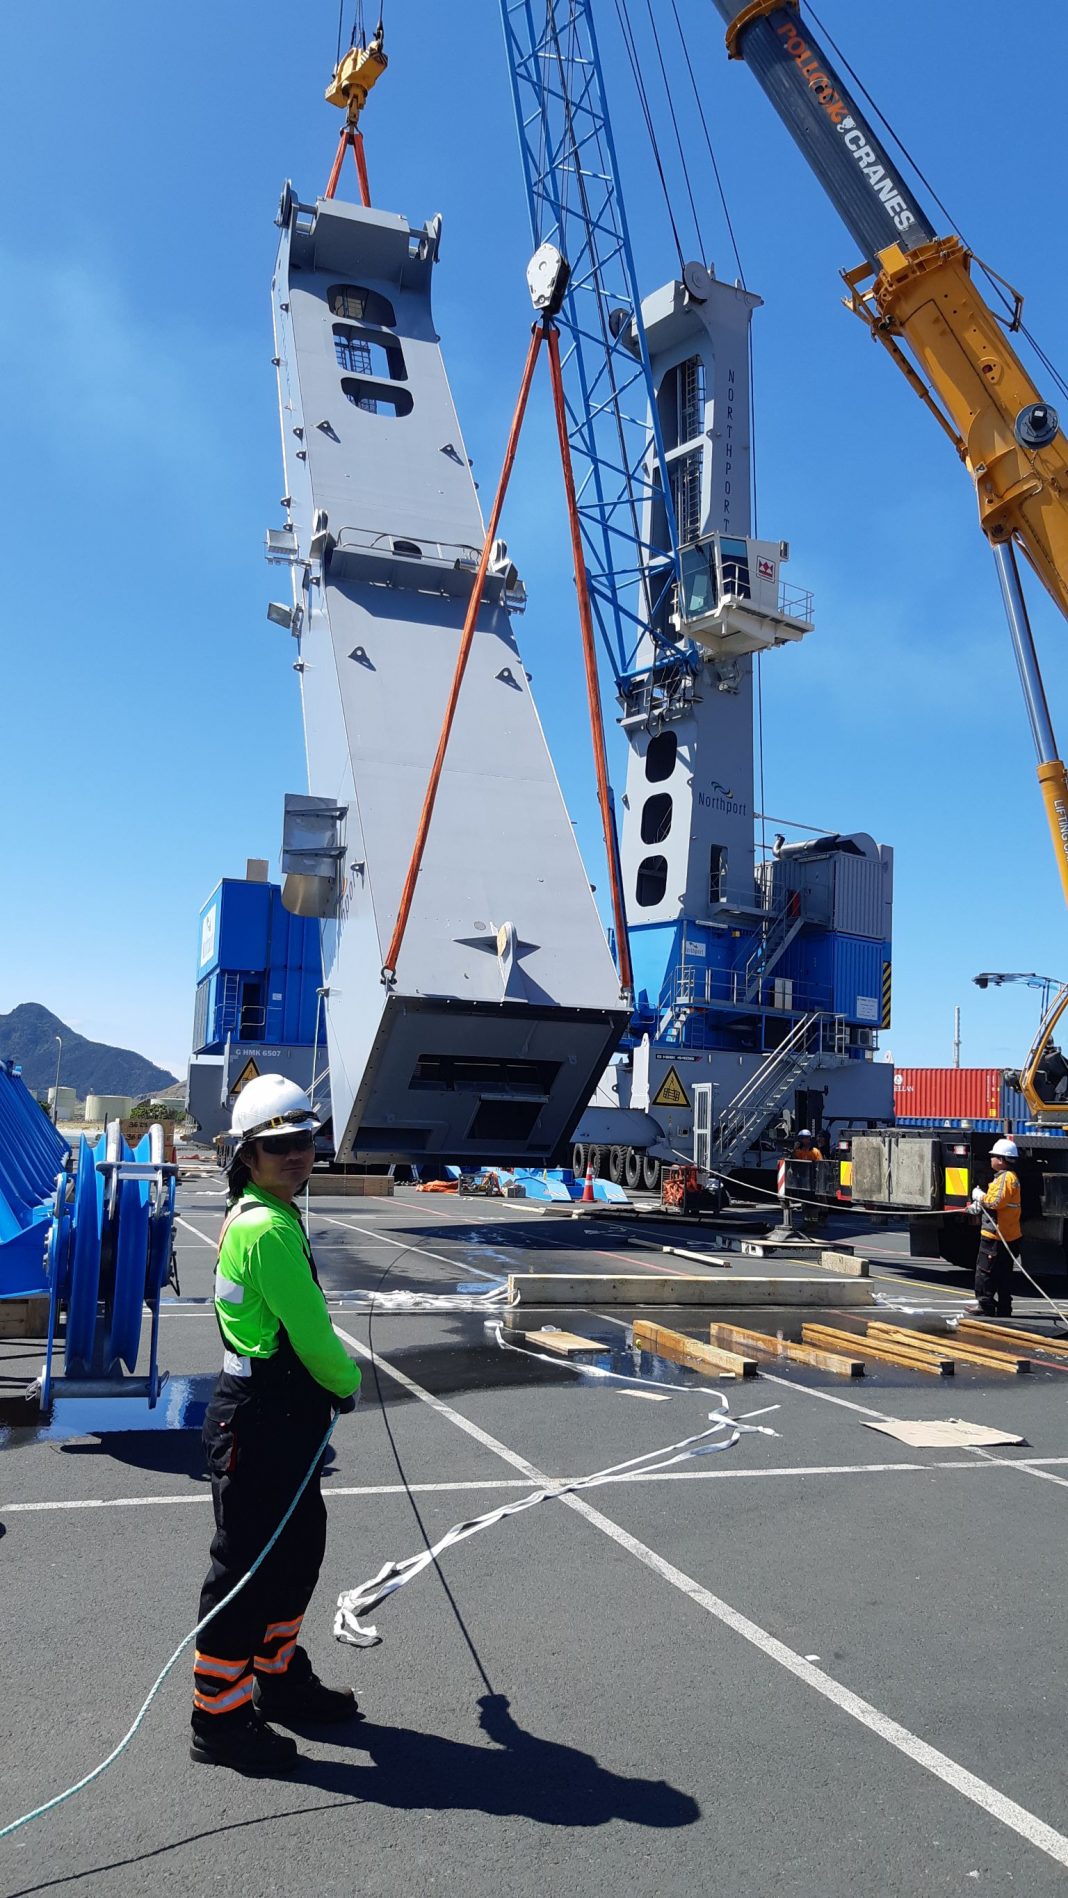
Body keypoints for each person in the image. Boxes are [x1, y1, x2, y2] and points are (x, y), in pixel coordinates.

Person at [190, 1074, 363, 1773]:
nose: (296, 1154)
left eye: (305, 1141)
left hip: (282, 1416)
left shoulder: (272, 1211)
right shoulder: (264, 1227)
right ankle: (219, 1720)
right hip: (260, 1418)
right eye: (279, 1146)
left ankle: (278, 1674)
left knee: (295, 1555)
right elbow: (311, 1330)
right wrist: (346, 1385)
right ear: (247, 1155)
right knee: (246, 1572)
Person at [968, 1136, 1021, 1318]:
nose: (990, 1159)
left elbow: (995, 1202)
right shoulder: (1009, 1178)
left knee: (985, 1271)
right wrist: (980, 1205)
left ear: (1001, 1159)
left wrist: (979, 1197)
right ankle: (1004, 1307)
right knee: (1003, 1274)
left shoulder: (1005, 1178)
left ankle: (985, 1305)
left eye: (993, 1156)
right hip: (1008, 1235)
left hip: (996, 1236)